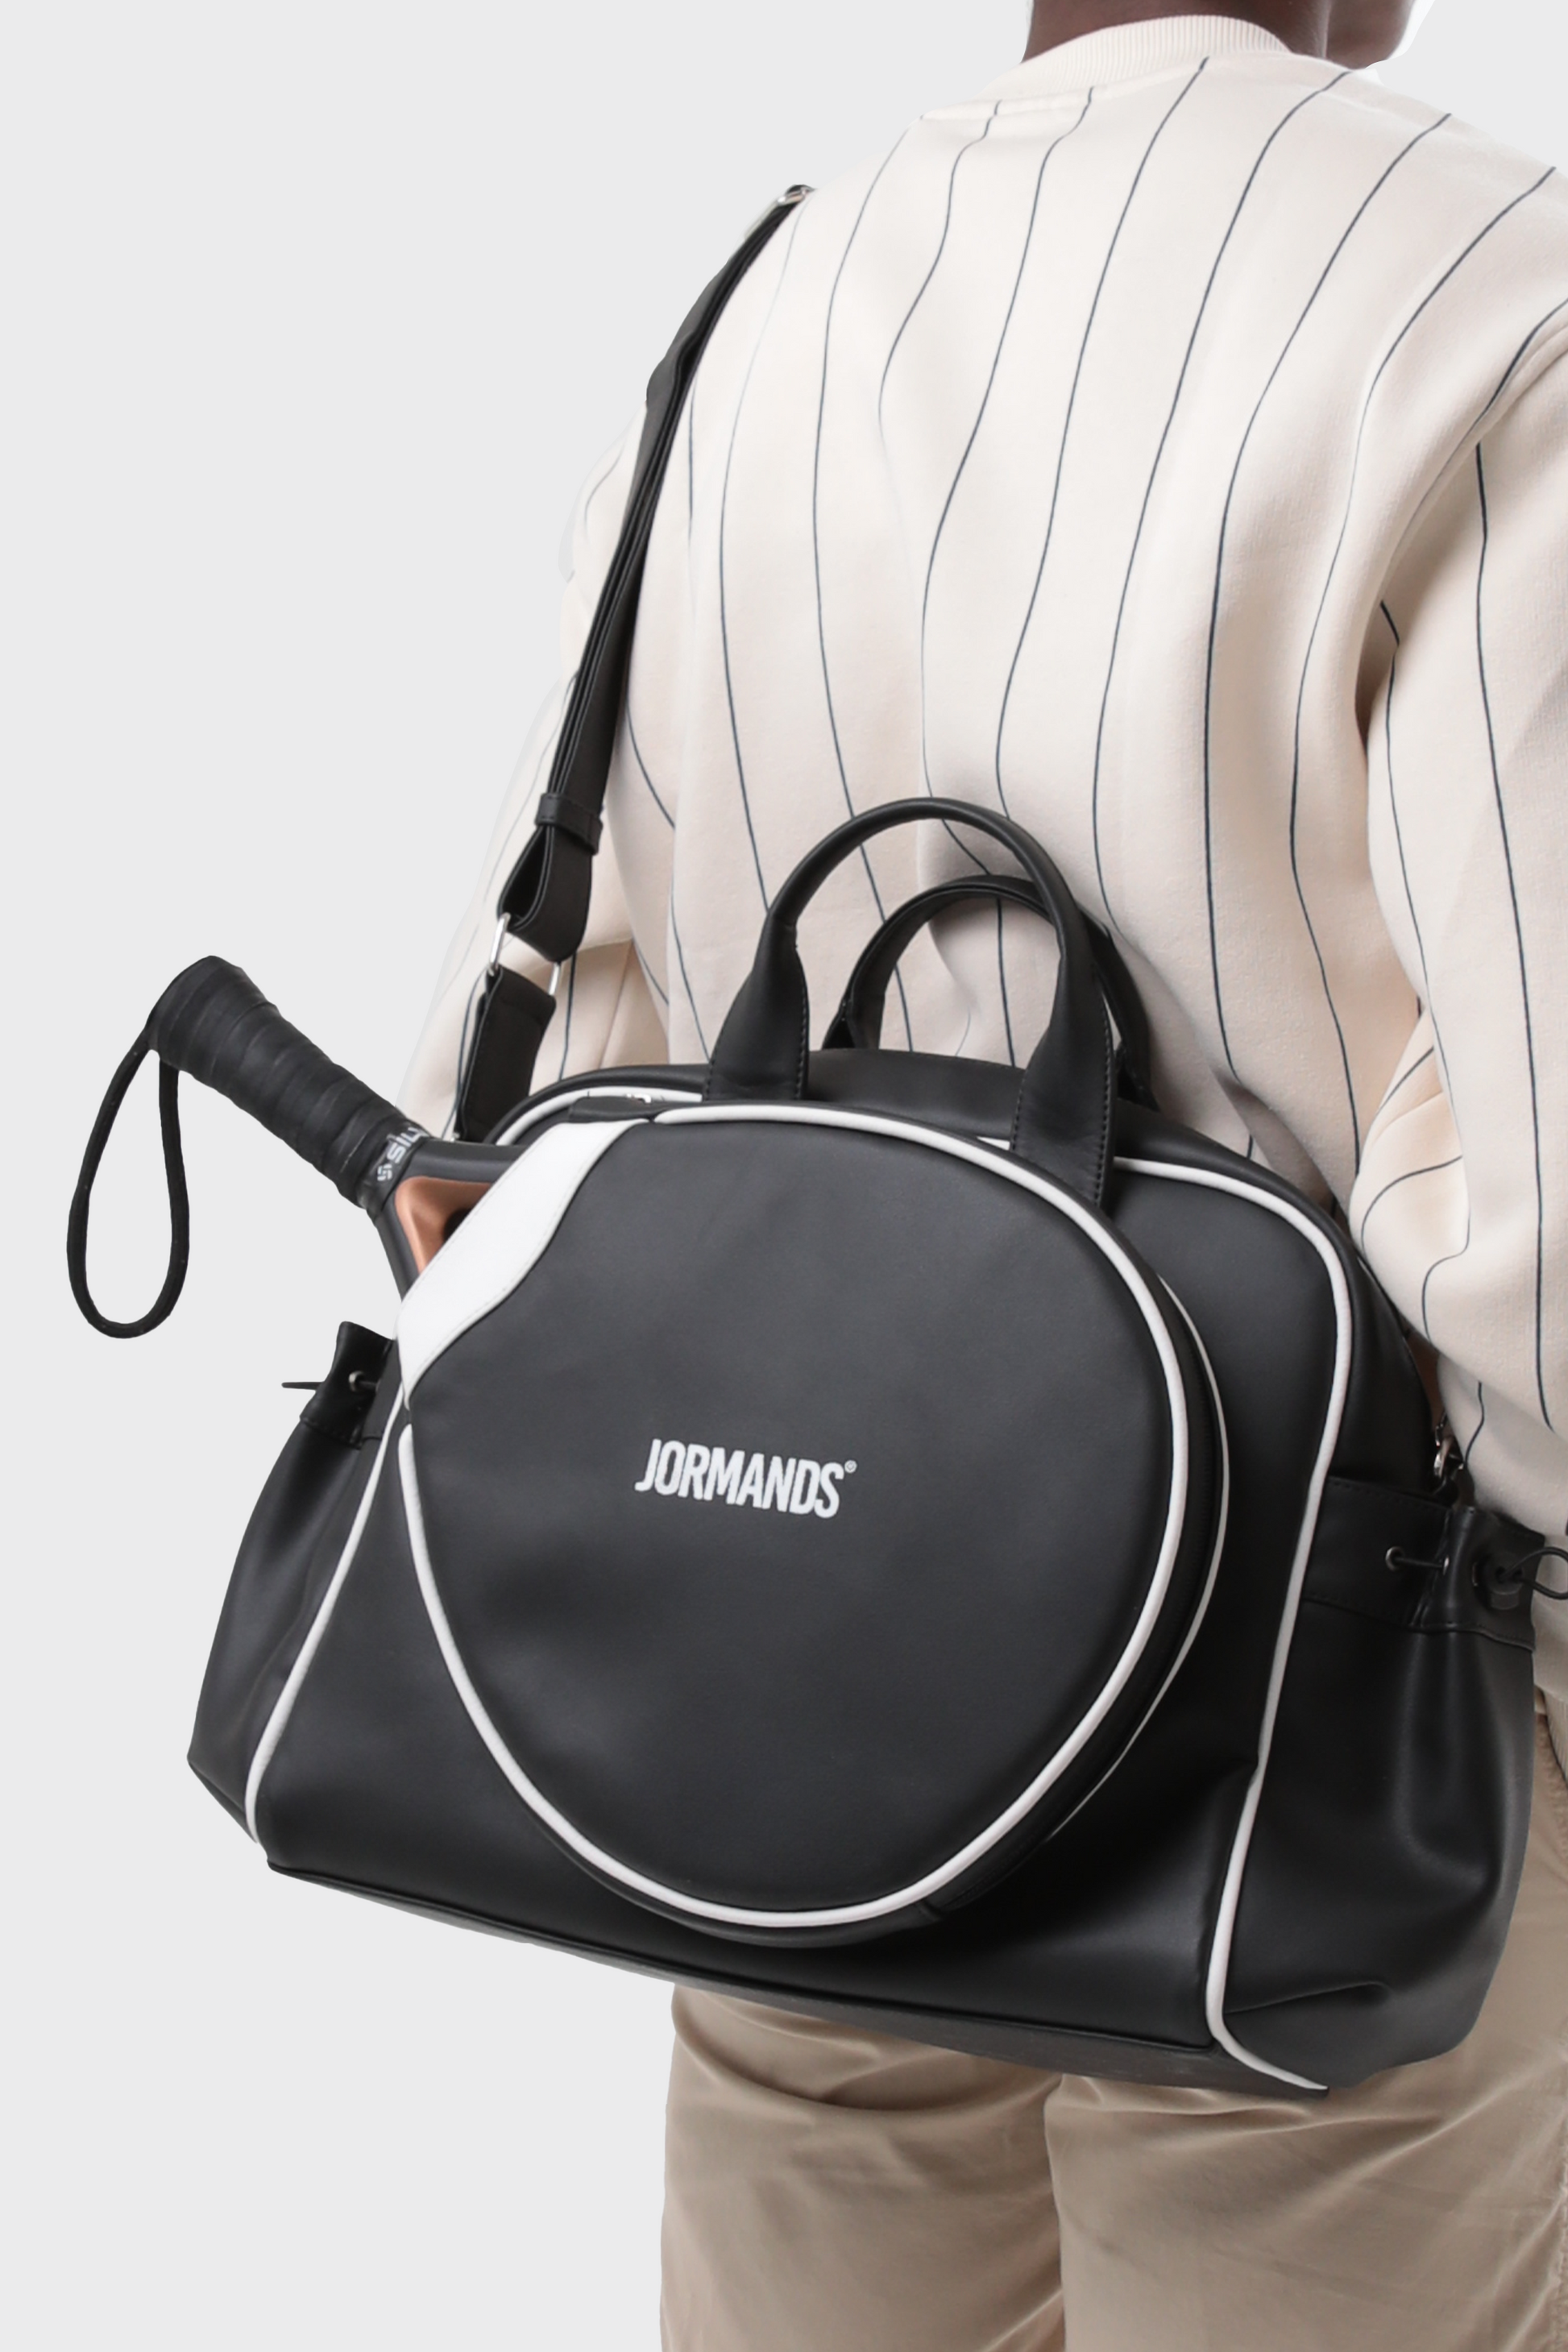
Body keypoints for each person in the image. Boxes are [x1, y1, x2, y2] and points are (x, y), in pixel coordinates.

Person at [404, 5, 1568, 2343]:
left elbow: (536, 1080)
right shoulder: (1493, 292)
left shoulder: (760, 308)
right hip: (1305, 1756)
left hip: (783, 1717)